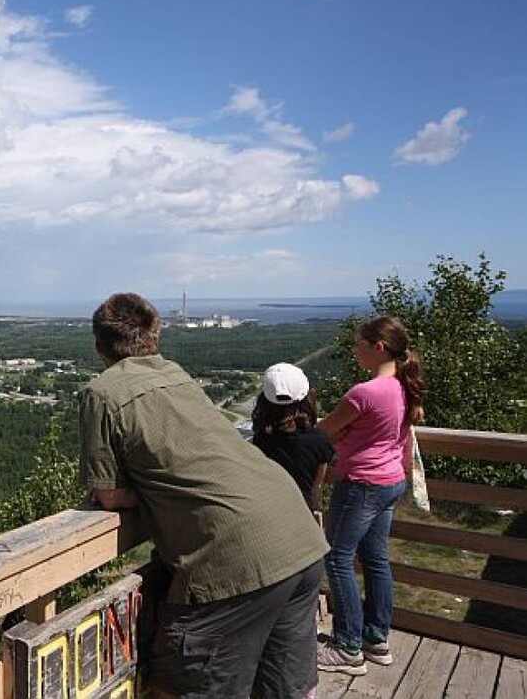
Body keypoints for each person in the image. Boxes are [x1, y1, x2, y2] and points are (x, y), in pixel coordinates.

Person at [80, 293, 329, 699]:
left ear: (98, 346)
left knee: (181, 688)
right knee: (284, 690)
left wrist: (154, 495)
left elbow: (107, 495)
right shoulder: (177, 373)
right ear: (154, 338)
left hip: (234, 557)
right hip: (298, 535)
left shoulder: (103, 393)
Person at [316, 316, 426, 675]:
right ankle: (376, 640)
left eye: (358, 343)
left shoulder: (364, 393)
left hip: (362, 483)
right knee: (376, 559)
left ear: (378, 348)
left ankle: (348, 646)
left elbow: (324, 431)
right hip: (391, 479)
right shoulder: (401, 386)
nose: (354, 349)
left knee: (336, 558)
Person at [252, 363, 335, 512]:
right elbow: (316, 487)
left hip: (268, 512)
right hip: (302, 515)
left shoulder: (260, 442)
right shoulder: (319, 441)